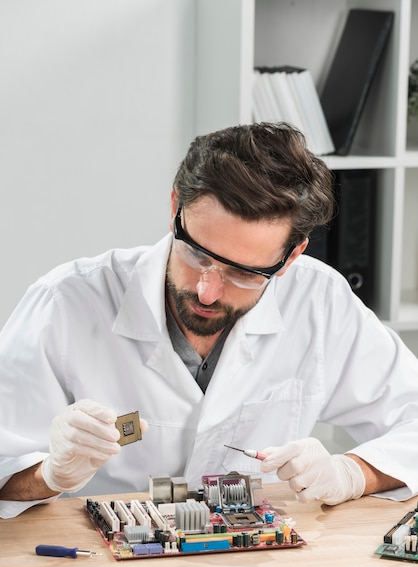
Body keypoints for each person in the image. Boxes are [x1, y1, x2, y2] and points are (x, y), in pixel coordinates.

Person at [0, 122, 417, 519]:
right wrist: (50, 475)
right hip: (98, 559)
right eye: (197, 254)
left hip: (256, 561)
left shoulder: (319, 302)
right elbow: (5, 471)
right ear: (175, 208)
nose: (207, 291)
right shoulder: (67, 301)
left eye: (244, 273)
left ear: (291, 257)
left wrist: (350, 474)